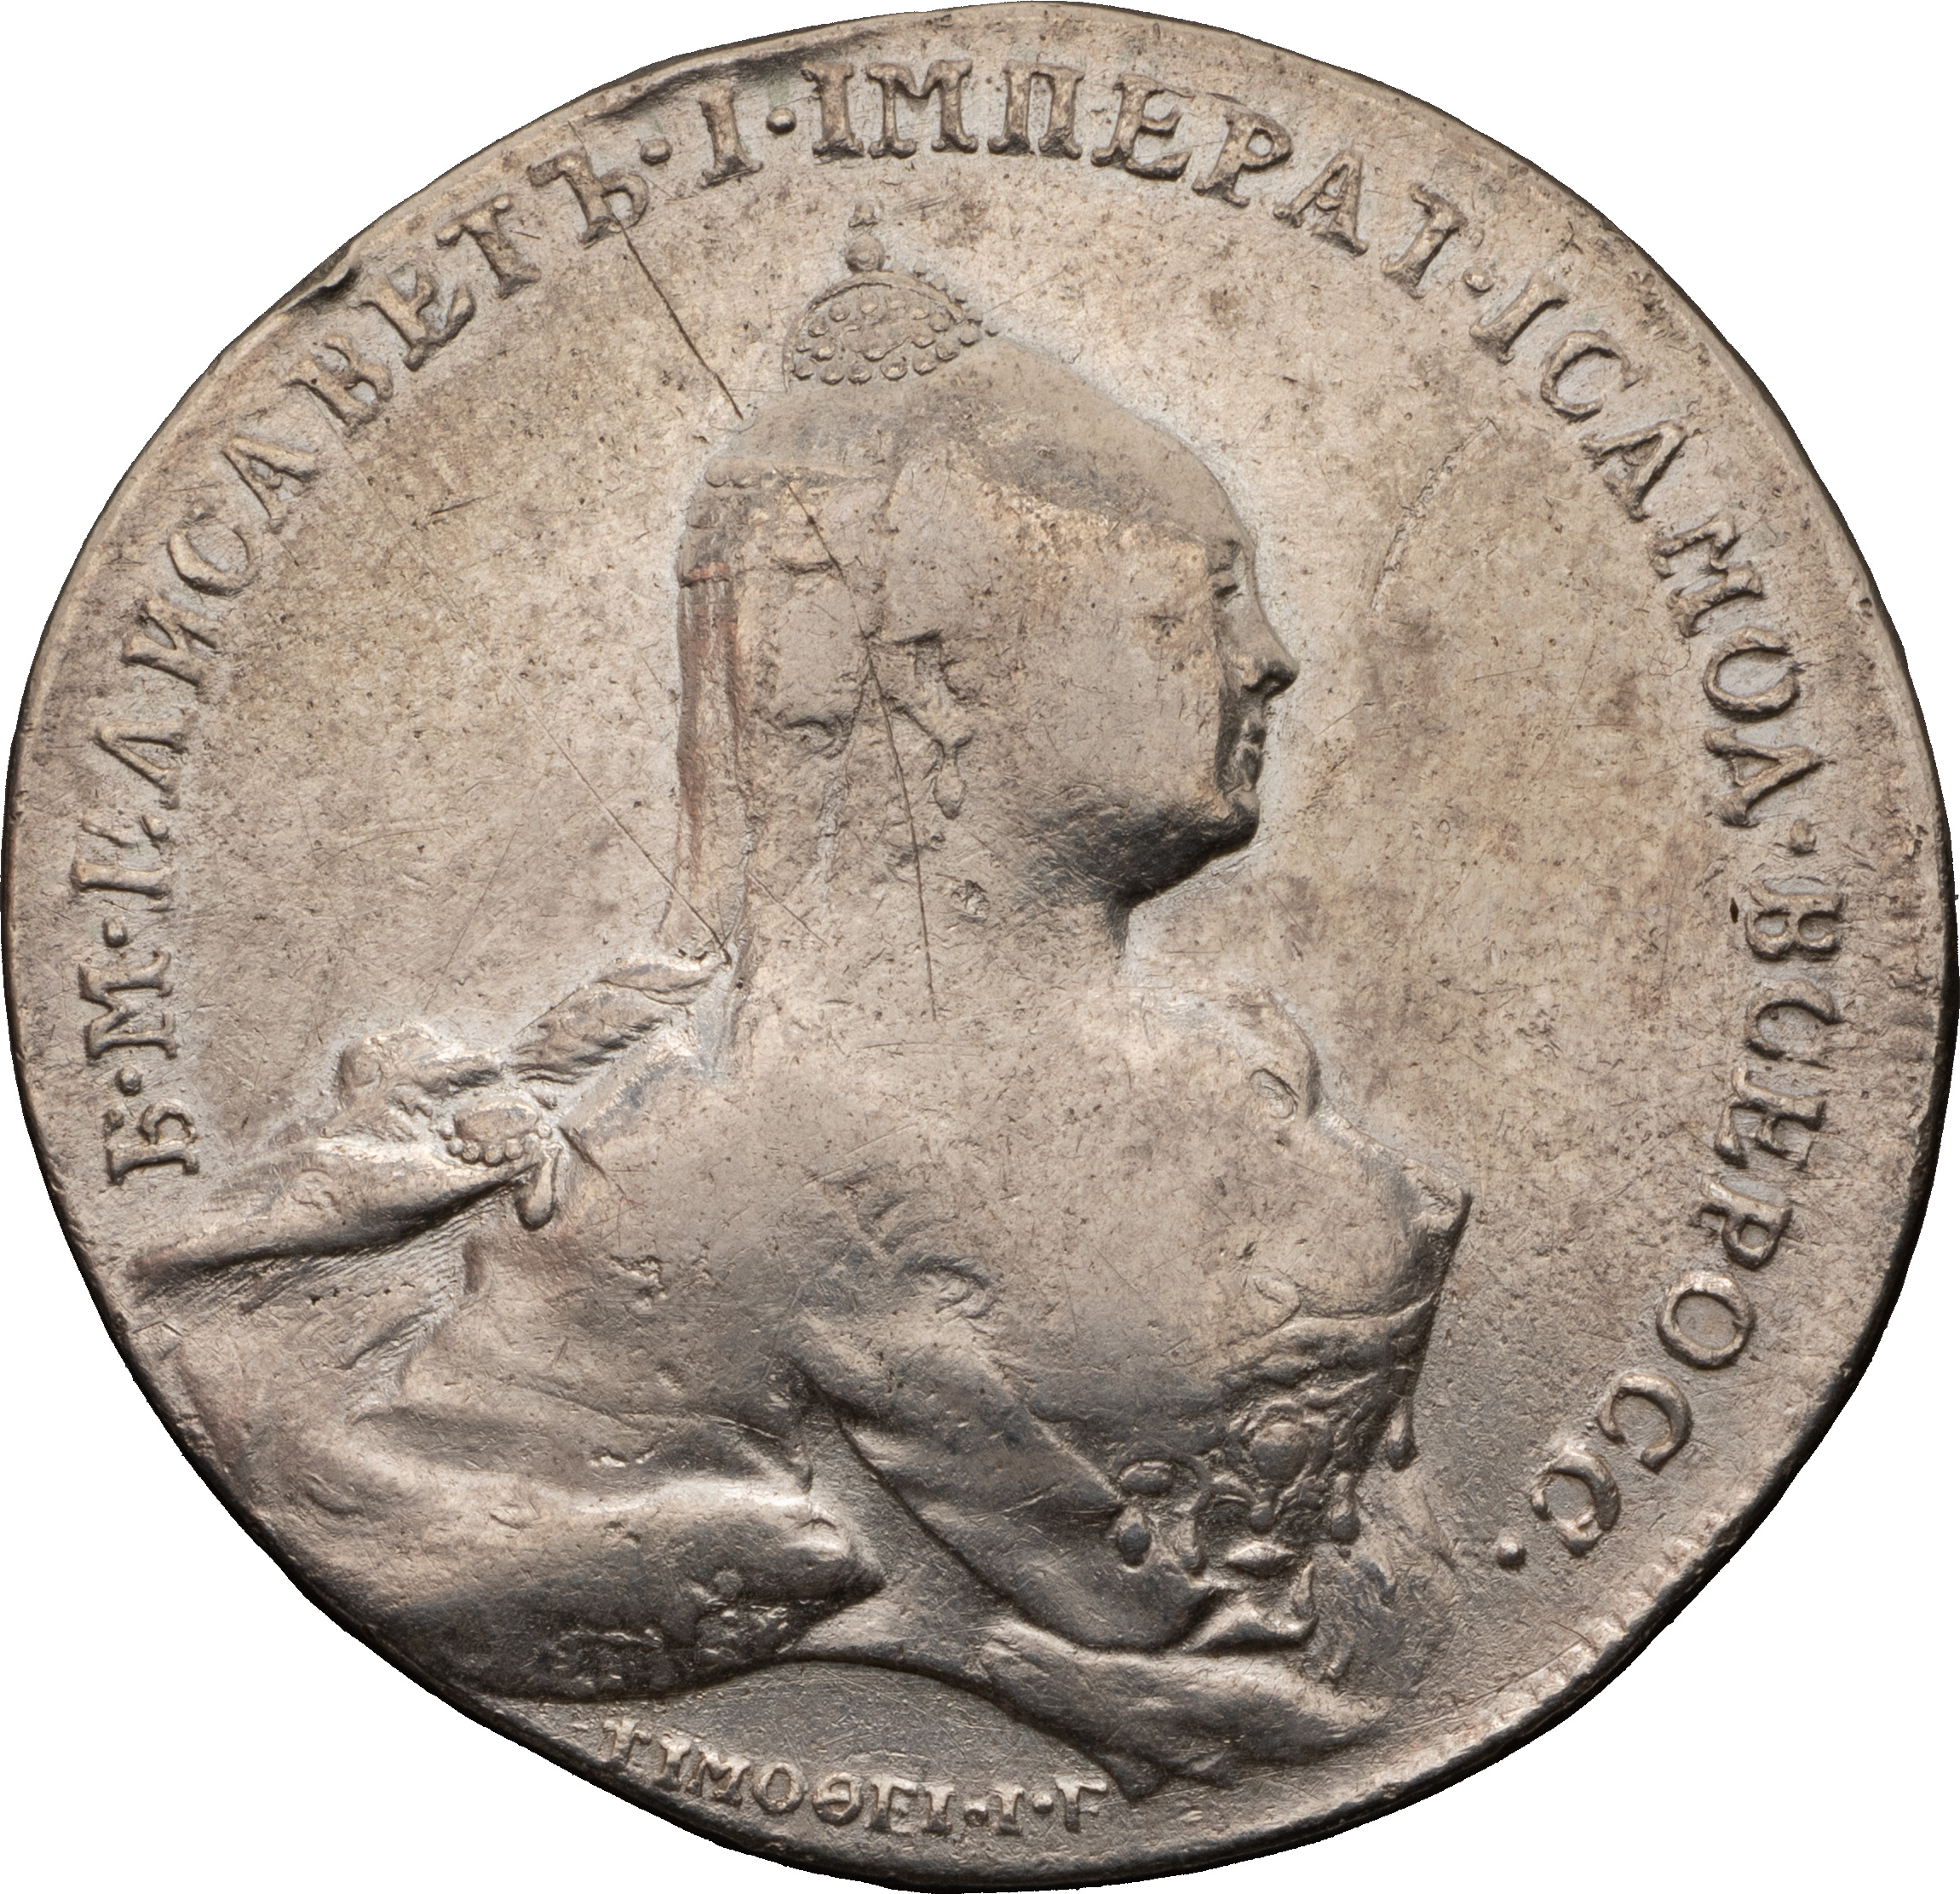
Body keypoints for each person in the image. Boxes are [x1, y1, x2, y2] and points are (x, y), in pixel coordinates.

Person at [140, 223, 1469, 1793]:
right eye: (1201, 603)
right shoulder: (686, 1181)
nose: (1270, 661)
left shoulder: (1243, 1070)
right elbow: (441, 1545)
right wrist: (959, 1642)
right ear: (945, 673)